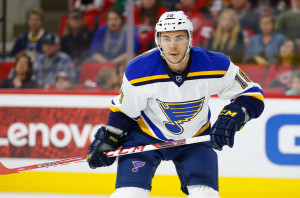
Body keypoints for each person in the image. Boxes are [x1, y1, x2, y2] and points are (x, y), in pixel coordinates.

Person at [87, 11, 264, 198]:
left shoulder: (215, 64)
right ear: (158, 41)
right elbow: (124, 112)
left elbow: (252, 93)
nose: (172, 45)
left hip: (195, 139)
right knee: (129, 194)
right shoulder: (139, 70)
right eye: (166, 38)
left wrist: (234, 115)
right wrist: (109, 138)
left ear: (190, 40)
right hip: (145, 136)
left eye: (179, 37)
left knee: (206, 196)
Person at [60, 9, 94, 74]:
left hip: (84, 65)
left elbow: (92, 52)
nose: (75, 21)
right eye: (73, 19)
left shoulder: (90, 35)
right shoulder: (64, 38)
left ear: (82, 20)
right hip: (68, 66)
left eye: (78, 19)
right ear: (68, 21)